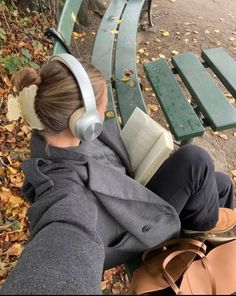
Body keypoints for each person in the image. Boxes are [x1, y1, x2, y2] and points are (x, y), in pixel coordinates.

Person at [1, 54, 234, 295]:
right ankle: (199, 249)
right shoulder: (65, 195)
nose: (104, 115)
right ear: (83, 121)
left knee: (222, 184)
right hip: (129, 229)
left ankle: (202, 241)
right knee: (196, 162)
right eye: (102, 109)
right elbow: (62, 251)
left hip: (127, 196)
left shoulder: (51, 130)